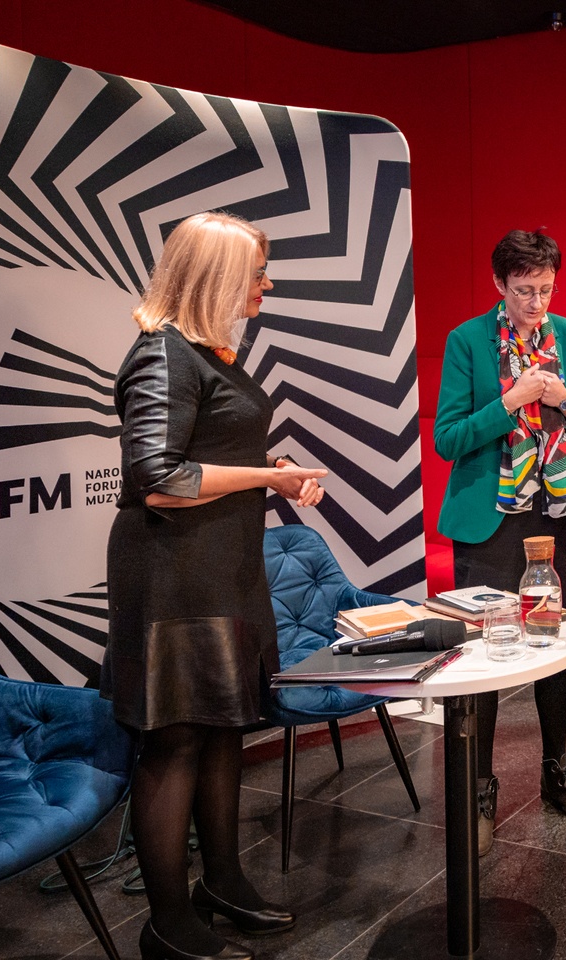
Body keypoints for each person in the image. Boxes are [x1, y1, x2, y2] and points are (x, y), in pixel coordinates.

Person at [103, 211, 328, 960]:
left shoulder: (206, 354)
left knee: (224, 727)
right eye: (257, 274)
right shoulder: (162, 355)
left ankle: (223, 884)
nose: (267, 285)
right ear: (216, 276)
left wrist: (272, 475)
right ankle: (168, 924)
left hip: (222, 568)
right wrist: (268, 476)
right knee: (175, 742)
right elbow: (158, 479)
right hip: (173, 577)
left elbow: (210, 451)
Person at [433, 229, 566, 856]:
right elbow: (448, 439)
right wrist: (511, 401)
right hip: (492, 521)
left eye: (547, 290)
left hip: (555, 515)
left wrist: (565, 400)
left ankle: (557, 773)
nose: (537, 303)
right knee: (486, 656)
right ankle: (480, 789)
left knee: (553, 647)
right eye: (525, 290)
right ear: (499, 284)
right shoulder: (467, 341)